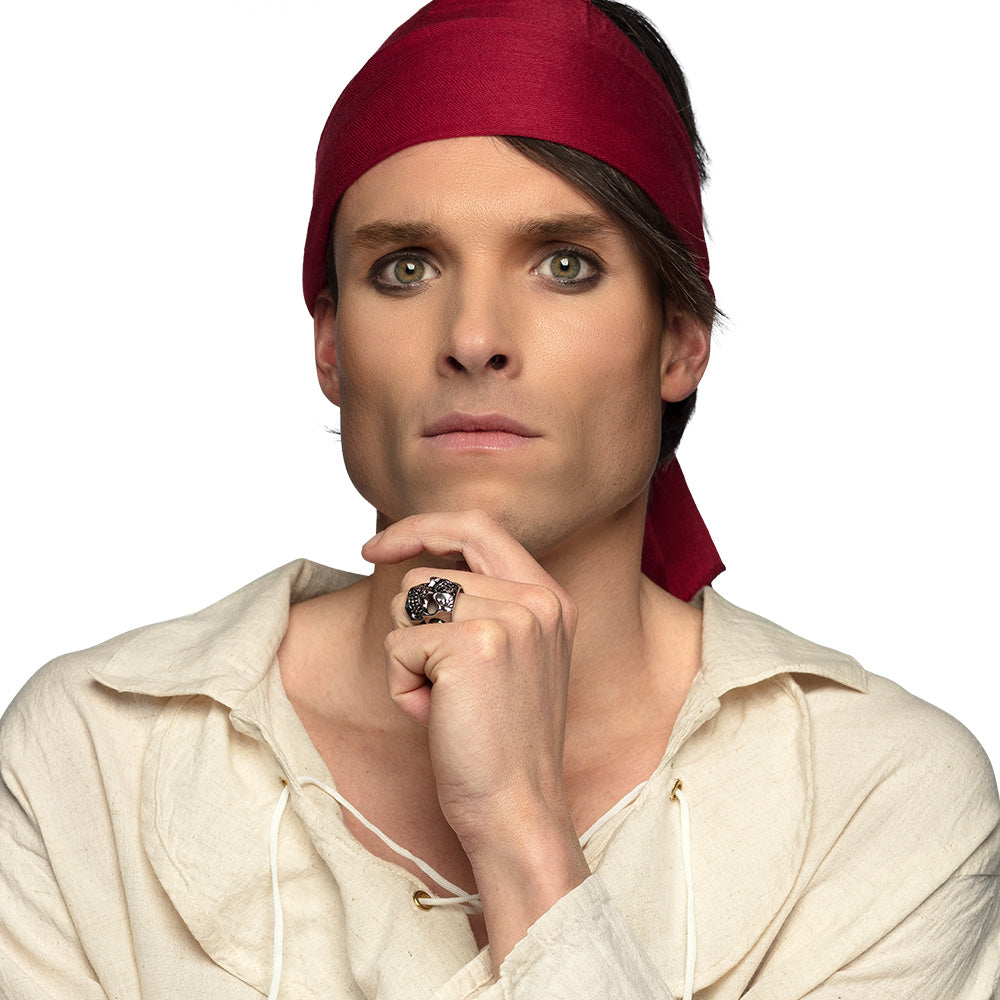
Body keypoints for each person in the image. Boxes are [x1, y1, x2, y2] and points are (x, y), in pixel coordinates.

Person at [1, 1, 998, 998]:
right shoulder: (93, 752)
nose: (473, 337)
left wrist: (520, 825)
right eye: (405, 267)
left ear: (679, 341)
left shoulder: (879, 793)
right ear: (330, 346)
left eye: (566, 265)